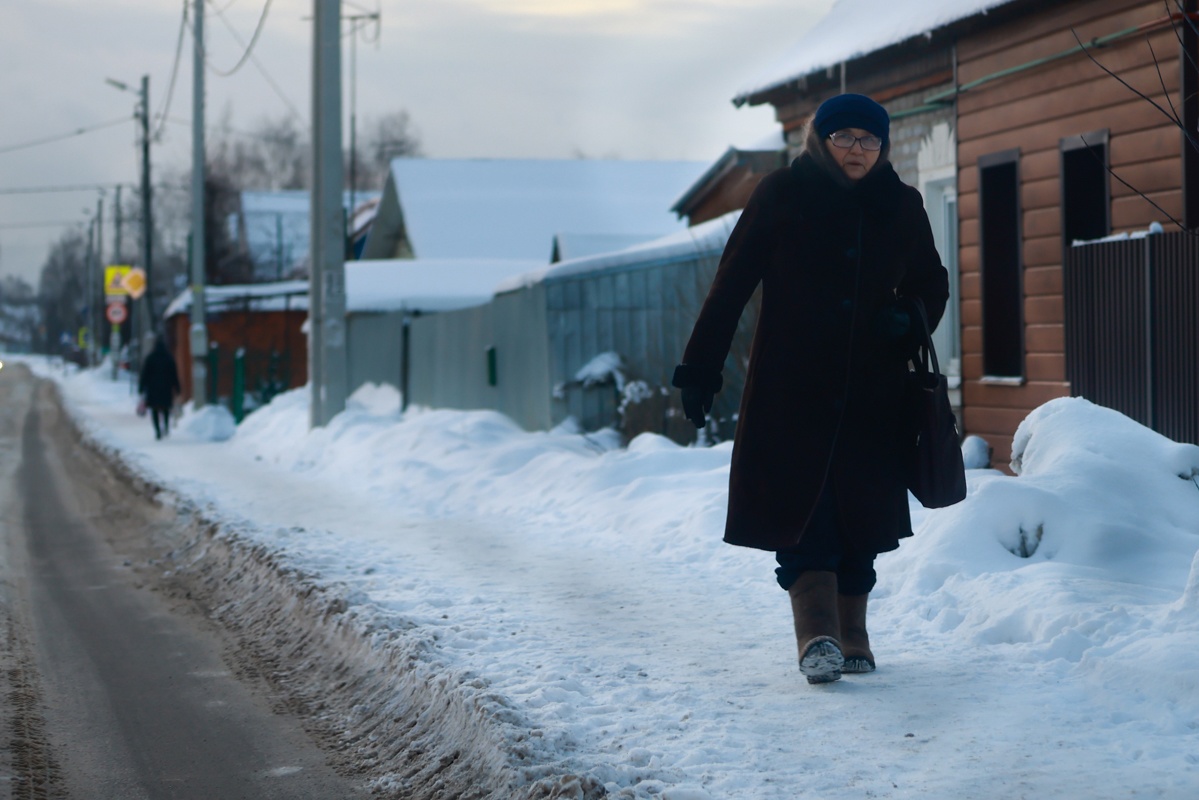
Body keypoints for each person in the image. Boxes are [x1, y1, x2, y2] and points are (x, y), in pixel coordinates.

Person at [672, 94, 949, 685]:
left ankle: (855, 635)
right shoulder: (782, 195)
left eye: (869, 140)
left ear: (884, 146)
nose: (857, 150)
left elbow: (932, 282)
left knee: (862, 518)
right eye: (844, 137)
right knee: (806, 512)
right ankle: (817, 636)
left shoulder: (901, 205)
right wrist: (700, 368)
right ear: (819, 140)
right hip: (789, 390)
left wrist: (911, 316)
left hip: (873, 393)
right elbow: (731, 285)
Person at [138, 335, 182, 440]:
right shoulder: (169, 357)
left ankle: (157, 431)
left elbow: (145, 374)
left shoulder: (150, 358)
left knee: (155, 410)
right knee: (165, 408)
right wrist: (177, 387)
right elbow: (174, 374)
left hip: (153, 389)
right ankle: (166, 427)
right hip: (166, 389)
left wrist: (141, 387)